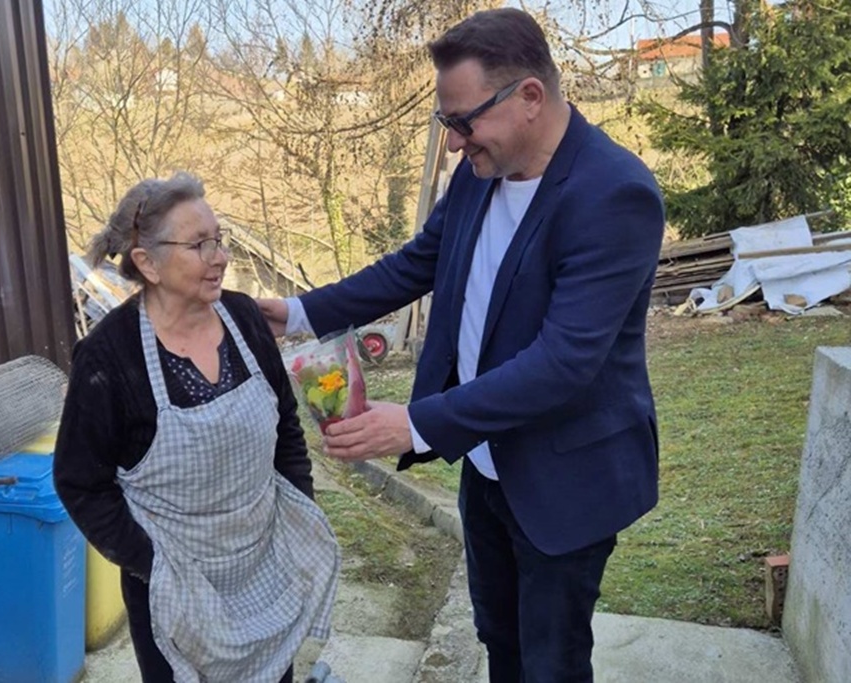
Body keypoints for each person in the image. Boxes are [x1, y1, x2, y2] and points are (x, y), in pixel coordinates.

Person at [258, 8, 664, 682]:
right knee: (499, 639)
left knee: (552, 663)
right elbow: (415, 264)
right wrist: (297, 312)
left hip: (566, 478)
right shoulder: (479, 174)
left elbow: (564, 362)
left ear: (529, 97)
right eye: (445, 123)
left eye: (463, 121)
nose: (452, 143)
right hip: (486, 463)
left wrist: (416, 423)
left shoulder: (613, 195)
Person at [54, 172, 339, 683]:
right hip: (174, 584)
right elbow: (81, 484)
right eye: (200, 244)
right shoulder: (108, 358)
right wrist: (152, 565)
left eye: (219, 239)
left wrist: (297, 511)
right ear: (148, 263)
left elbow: (285, 427)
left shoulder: (244, 319)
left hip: (264, 565)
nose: (220, 257)